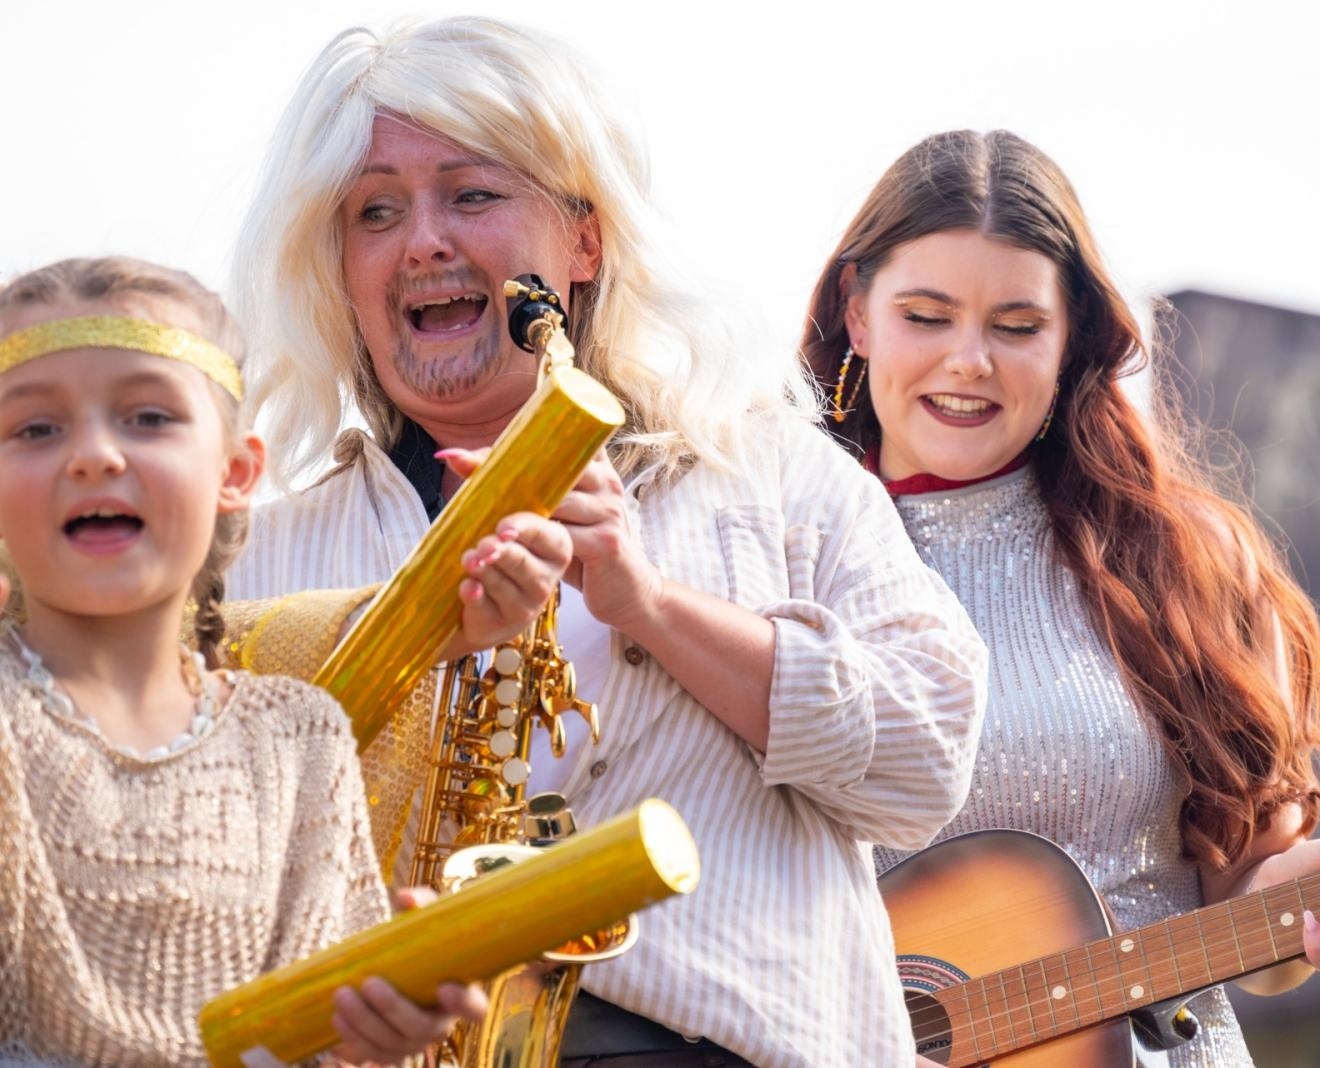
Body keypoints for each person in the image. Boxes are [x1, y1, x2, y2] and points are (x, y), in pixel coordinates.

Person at [226, 18, 986, 1067]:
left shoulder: (774, 477)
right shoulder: (260, 558)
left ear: (584, 242)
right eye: (375, 212)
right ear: (339, 269)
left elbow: (925, 768)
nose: (424, 242)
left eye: (474, 194)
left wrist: (652, 605)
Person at [802, 130, 1320, 1066]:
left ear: (1073, 337)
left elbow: (1247, 910)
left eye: (1016, 326)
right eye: (926, 316)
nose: (970, 361)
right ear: (856, 309)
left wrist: (1302, 901)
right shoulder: (767, 546)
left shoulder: (1184, 563)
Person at [0, 256, 482, 1066]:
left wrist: (374, 1036)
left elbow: (319, 1039)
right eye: (36, 429)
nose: (93, 456)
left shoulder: (297, 739)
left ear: (236, 473)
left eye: (148, 418)